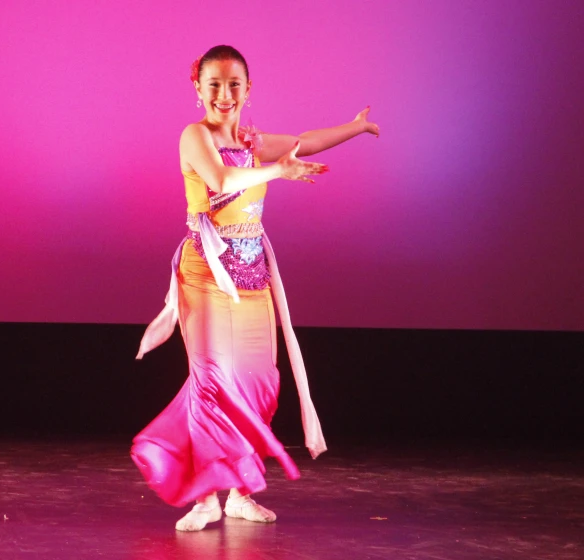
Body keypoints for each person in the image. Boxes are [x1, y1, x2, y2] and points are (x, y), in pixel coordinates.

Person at [132, 45, 380, 532]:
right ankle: (205, 497)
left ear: (248, 89)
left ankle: (240, 492)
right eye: (215, 85)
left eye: (234, 85)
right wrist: (278, 170)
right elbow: (223, 177)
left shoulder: (251, 141)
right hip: (206, 274)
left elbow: (304, 142)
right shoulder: (194, 138)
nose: (225, 94)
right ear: (198, 90)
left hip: (252, 276)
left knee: (258, 384)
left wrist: (355, 127)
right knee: (211, 384)